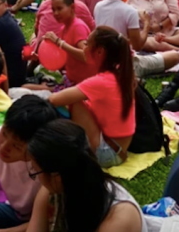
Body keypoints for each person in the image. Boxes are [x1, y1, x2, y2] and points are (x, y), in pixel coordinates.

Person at [24, 120, 146, 232]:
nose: (39, 180)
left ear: (57, 177)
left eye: (36, 172)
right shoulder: (56, 188)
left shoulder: (118, 218)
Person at [0, 96, 59, 232]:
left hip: (38, 223)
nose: (3, 147)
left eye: (17, 146)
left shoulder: (48, 165)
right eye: (4, 133)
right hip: (15, 213)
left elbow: (46, 223)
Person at [48, 27, 136, 168]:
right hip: (117, 149)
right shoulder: (120, 74)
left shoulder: (103, 81)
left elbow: (54, 100)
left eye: (87, 44)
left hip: (108, 154)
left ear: (100, 52)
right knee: (74, 100)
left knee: (73, 102)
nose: (84, 48)